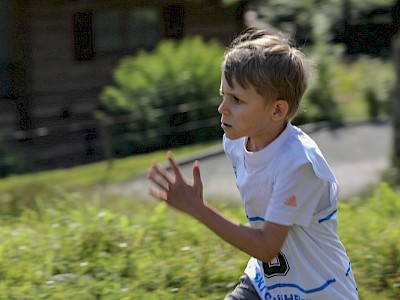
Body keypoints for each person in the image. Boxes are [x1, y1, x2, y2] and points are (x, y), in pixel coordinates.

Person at [147, 27, 358, 300]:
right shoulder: (235, 142)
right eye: (223, 95)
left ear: (277, 110)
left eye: (236, 100)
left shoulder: (299, 163)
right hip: (265, 284)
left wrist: (198, 209)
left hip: (318, 292)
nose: (223, 108)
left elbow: (267, 246)